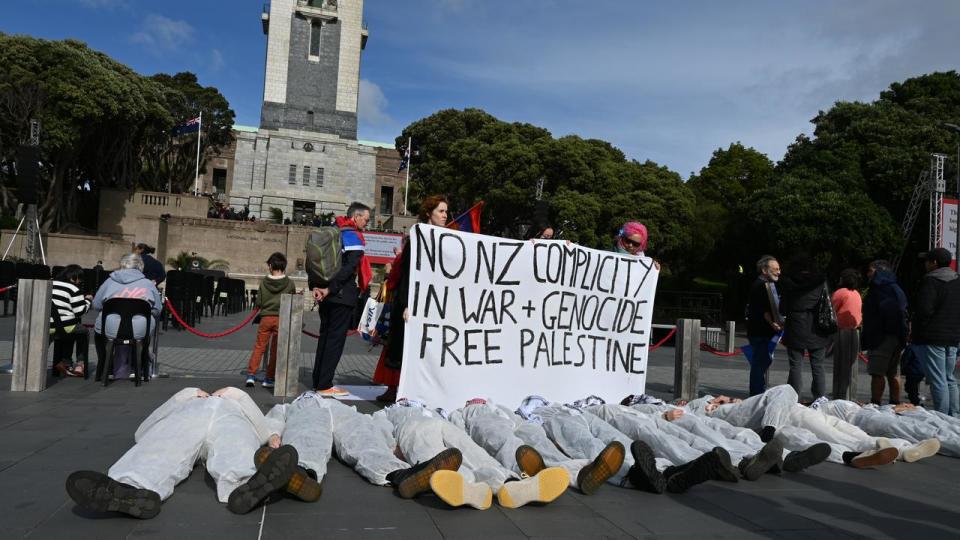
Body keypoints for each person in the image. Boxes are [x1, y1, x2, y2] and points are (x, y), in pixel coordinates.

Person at [64, 387, 291, 519]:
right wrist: (186, 395)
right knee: (164, 444)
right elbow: (143, 432)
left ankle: (245, 486)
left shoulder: (237, 404)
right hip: (191, 416)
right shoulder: (188, 402)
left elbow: (262, 428)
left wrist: (236, 395)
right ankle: (128, 489)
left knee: (235, 444)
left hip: (230, 418)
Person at [376, 400, 570, 509]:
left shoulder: (441, 410)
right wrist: (392, 448)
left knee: (475, 454)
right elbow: (380, 428)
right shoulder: (388, 411)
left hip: (446, 425)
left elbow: (465, 430)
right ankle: (467, 484)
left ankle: (508, 484)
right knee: (434, 456)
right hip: (413, 428)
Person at [693, 385, 938, 466]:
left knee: (839, 430)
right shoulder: (702, 406)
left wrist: (730, 399)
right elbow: (684, 411)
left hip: (788, 412)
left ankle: (903, 449)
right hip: (770, 415)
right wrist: (712, 403)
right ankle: (769, 430)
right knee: (786, 389)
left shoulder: (732, 403)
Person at [447, 398, 625, 495]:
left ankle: (582, 471)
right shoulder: (462, 411)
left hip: (517, 421)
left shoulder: (499, 404)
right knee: (507, 444)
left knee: (543, 447)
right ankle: (529, 474)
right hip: (485, 422)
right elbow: (458, 430)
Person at [372, 195, 448, 403]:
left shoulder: (443, 239)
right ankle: (393, 387)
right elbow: (408, 274)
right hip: (409, 302)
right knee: (399, 346)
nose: (445, 215)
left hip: (431, 303)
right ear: (428, 214)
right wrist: (407, 303)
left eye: (446, 211)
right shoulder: (417, 240)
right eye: (441, 211)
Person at [311, 202, 372, 396]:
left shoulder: (335, 231)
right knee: (335, 340)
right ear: (356, 217)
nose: (366, 224)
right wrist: (330, 289)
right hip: (341, 294)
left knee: (325, 337)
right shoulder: (352, 236)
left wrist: (319, 287)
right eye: (366, 220)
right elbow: (349, 268)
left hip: (327, 294)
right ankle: (325, 384)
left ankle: (318, 380)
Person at [92, 253, 163, 380]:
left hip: (110, 329)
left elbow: (96, 305)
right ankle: (140, 367)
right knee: (146, 323)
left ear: (122, 265)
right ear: (140, 267)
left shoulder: (109, 281)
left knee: (100, 329)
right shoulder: (148, 284)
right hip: (139, 331)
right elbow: (157, 309)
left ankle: (104, 367)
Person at [911, 247, 960, 416]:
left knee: (938, 379)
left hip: (932, 336)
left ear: (934, 263)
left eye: (927, 261)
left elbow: (924, 309)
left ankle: (942, 417)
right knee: (949, 378)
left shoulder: (930, 281)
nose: (925, 264)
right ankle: (954, 415)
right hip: (953, 336)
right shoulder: (957, 280)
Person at [778, 254, 834, 401]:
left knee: (795, 365)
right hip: (817, 326)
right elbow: (827, 302)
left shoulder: (788, 282)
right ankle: (820, 397)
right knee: (818, 365)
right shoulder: (820, 282)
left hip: (795, 325)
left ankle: (794, 397)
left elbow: (783, 309)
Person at [813, 399, 951, 457]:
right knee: (922, 431)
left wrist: (891, 407)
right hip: (865, 419)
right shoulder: (815, 410)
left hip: (873, 412)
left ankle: (907, 449)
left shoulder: (826, 404)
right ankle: (905, 450)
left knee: (935, 419)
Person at [246, 252, 297, 389]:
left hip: (266, 318)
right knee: (275, 350)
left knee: (259, 347)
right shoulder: (290, 283)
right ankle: (268, 378)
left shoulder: (264, 282)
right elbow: (292, 300)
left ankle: (251, 374)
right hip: (281, 319)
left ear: (270, 266)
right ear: (284, 266)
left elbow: (259, 302)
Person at [861, 260, 908, 405]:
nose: (868, 274)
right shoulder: (895, 287)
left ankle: (875, 403)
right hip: (897, 335)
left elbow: (887, 312)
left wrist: (878, 333)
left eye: (870, 270)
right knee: (893, 372)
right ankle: (895, 402)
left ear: (878, 271)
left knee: (877, 372)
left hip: (882, 336)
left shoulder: (880, 289)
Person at [746, 255, 783, 396]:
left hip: (761, 331)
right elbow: (763, 310)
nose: (779, 272)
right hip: (760, 331)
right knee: (759, 363)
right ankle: (756, 394)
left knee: (761, 362)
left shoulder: (765, 284)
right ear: (764, 270)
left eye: (779, 269)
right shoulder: (760, 286)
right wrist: (774, 324)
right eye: (775, 269)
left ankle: (758, 391)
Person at [49, 264, 93, 377]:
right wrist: (88, 300)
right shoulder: (73, 289)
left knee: (69, 331)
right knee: (83, 332)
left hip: (48, 325)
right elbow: (80, 311)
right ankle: (80, 364)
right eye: (80, 279)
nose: (80, 282)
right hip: (66, 326)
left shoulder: (50, 284)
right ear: (74, 278)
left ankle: (65, 362)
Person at [830, 268, 862, 400]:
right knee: (851, 366)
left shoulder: (840, 293)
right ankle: (851, 396)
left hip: (841, 331)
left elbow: (831, 310)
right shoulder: (856, 293)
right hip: (855, 331)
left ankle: (840, 396)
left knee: (840, 365)